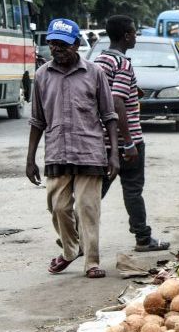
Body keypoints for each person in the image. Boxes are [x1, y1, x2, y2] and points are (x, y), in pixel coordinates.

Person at [26, 18, 121, 279]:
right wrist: (30, 158)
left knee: (88, 209)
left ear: (77, 45)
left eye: (63, 45)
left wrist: (114, 153)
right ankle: (70, 251)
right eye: (53, 44)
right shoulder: (43, 75)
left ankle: (91, 261)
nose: (57, 49)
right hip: (57, 150)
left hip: (89, 150)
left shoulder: (94, 73)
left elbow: (109, 115)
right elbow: (37, 120)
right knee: (58, 208)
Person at [93, 15, 169, 252]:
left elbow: (104, 94)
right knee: (133, 190)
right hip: (127, 140)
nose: (136, 36)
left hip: (101, 140)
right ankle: (143, 238)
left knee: (96, 192)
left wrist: (134, 91)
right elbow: (116, 102)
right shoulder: (123, 64)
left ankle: (74, 233)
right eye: (134, 32)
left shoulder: (99, 61)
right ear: (126, 36)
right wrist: (127, 143)